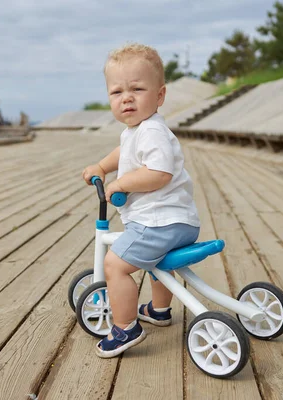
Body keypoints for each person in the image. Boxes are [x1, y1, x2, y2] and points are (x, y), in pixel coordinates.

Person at [82, 43, 200, 358]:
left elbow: (159, 172)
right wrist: (102, 167)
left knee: (115, 266)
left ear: (159, 96)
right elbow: (123, 154)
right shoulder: (135, 131)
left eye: (137, 88)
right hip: (174, 222)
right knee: (155, 262)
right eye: (117, 92)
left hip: (160, 223)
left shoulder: (152, 132)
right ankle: (159, 310)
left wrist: (120, 183)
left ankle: (125, 327)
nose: (127, 98)